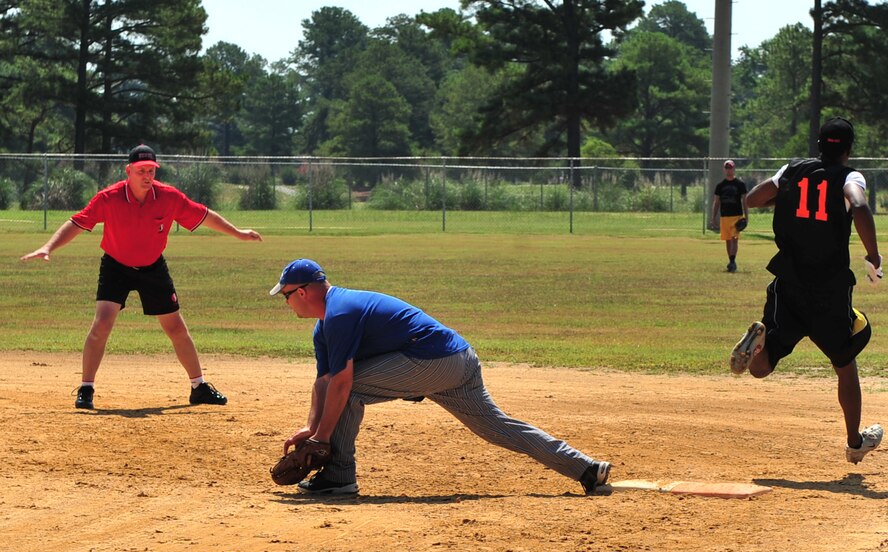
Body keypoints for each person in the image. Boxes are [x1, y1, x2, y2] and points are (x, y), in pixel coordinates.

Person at [269, 258, 611, 496]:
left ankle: (339, 477)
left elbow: (342, 385)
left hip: (433, 361)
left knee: (351, 389)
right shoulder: (325, 325)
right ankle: (585, 468)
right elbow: (324, 381)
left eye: (285, 295)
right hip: (455, 360)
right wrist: (312, 429)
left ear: (302, 292)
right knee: (498, 427)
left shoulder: (340, 312)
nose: (286, 303)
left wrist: (323, 441)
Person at [20, 144, 263, 410]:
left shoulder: (168, 197)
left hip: (152, 267)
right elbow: (77, 222)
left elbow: (204, 216)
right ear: (128, 171)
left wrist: (238, 232)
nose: (147, 176)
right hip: (115, 266)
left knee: (176, 327)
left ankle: (199, 387)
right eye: (141, 171)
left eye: (151, 170)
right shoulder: (109, 198)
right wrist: (48, 247)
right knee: (102, 324)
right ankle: (86, 388)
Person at [729, 117, 882, 464]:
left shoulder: (793, 170)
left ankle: (759, 344)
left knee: (761, 368)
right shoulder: (849, 176)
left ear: (818, 146)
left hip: (788, 283)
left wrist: (785, 194)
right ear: (847, 149)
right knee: (846, 359)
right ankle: (855, 442)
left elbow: (753, 198)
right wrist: (873, 257)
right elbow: (858, 204)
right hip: (828, 289)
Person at [710, 159, 748, 272]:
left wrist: (746, 216)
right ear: (724, 169)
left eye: (730, 167)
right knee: (727, 239)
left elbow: (744, 201)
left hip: (737, 215)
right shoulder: (720, 186)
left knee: (734, 239)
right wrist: (713, 217)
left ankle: (732, 261)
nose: (728, 170)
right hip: (724, 216)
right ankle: (731, 261)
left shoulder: (740, 184)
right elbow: (716, 202)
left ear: (734, 168)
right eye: (726, 168)